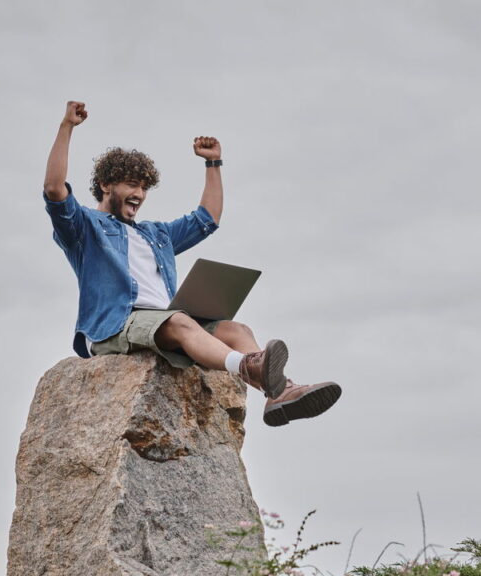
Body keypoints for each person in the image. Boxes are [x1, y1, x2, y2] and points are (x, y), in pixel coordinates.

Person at [42, 101, 341, 427]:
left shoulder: (155, 234)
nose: (139, 194)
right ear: (106, 185)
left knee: (235, 328)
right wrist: (66, 127)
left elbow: (207, 219)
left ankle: (281, 393)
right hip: (115, 325)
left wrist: (214, 163)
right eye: (131, 185)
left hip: (164, 320)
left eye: (143, 187)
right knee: (181, 322)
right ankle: (250, 367)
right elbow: (54, 190)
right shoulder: (85, 227)